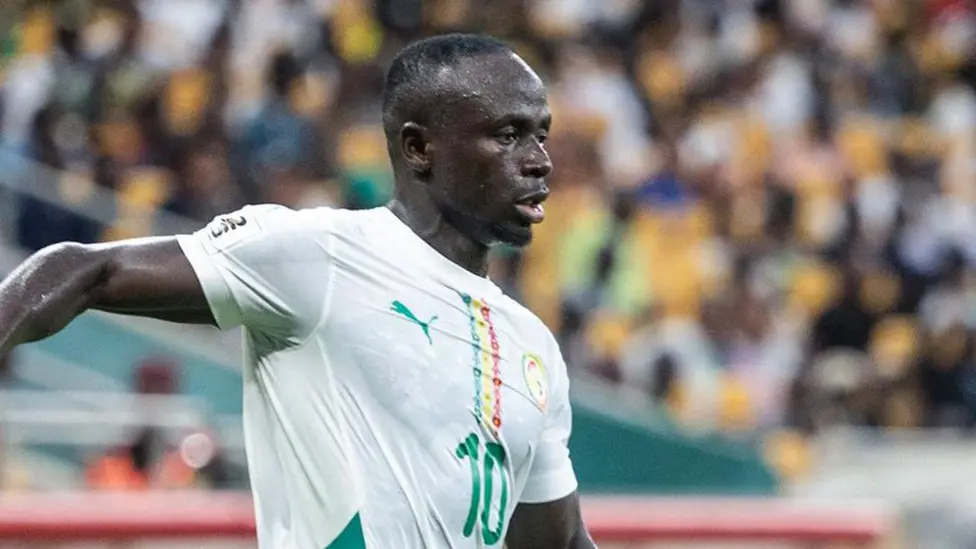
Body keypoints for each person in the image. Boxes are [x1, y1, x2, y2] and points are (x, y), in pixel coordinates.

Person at [0, 34, 595, 548]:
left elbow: (561, 542)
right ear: (418, 148)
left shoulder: (533, 346)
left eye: (541, 135)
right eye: (509, 135)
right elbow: (82, 269)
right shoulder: (320, 255)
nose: (540, 160)